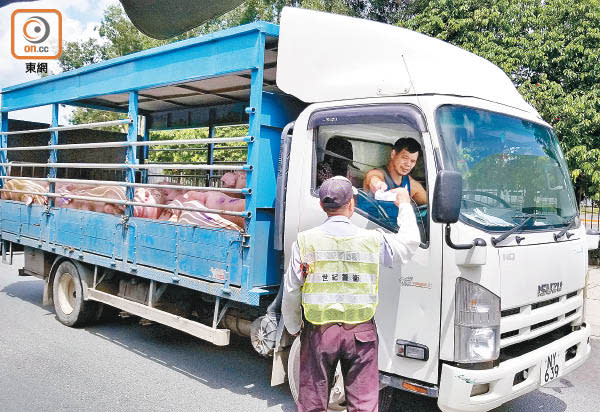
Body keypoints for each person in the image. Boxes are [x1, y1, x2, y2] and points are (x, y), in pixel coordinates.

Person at [282, 176, 420, 412]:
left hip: (319, 333)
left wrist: (294, 326)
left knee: (312, 403)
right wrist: (405, 204)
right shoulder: (372, 240)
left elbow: (292, 290)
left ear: (321, 206)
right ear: (351, 205)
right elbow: (409, 244)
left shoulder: (305, 242)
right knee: (364, 405)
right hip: (360, 334)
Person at [363, 137, 427, 205]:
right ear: (393, 154)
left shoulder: (412, 185)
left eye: (413, 161)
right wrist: (377, 184)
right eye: (405, 158)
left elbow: (432, 204)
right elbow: (373, 177)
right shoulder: (377, 173)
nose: (408, 164)